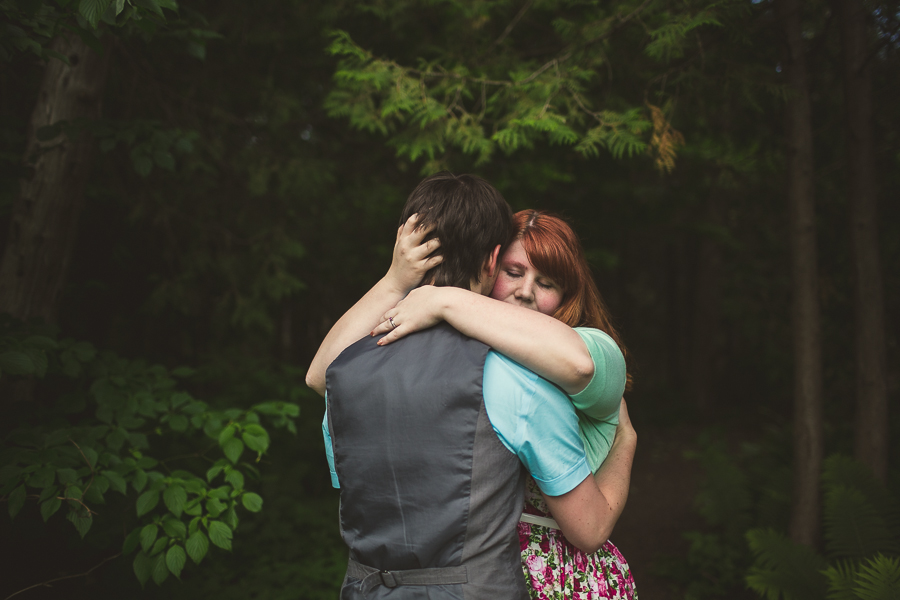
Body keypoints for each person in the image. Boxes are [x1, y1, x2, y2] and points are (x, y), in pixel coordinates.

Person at [306, 173, 636, 599]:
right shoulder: (507, 378)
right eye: (512, 272)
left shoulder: (582, 350)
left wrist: (441, 297)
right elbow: (324, 375)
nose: (525, 292)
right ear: (491, 262)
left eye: (547, 282)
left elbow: (576, 363)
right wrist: (396, 281)